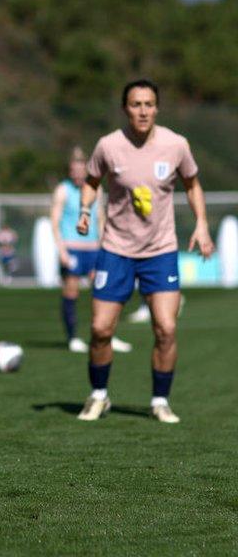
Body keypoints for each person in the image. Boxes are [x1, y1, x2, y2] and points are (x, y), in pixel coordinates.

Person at [76, 79, 214, 423]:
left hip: (160, 250)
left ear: (157, 108)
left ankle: (160, 401)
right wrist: (84, 211)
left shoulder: (176, 144)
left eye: (149, 104)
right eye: (136, 104)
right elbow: (91, 182)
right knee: (100, 329)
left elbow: (192, 184)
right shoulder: (108, 145)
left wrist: (202, 224)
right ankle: (99, 396)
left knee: (166, 328)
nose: (143, 110)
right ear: (125, 108)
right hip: (116, 249)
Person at [50, 147, 131, 354]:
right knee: (71, 291)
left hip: (94, 249)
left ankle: (107, 336)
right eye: (73, 170)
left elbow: (101, 219)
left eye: (80, 170)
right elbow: (55, 222)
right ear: (70, 171)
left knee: (105, 292)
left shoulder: (96, 189)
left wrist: (107, 245)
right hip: (73, 248)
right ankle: (73, 338)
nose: (77, 174)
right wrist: (62, 251)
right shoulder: (63, 190)